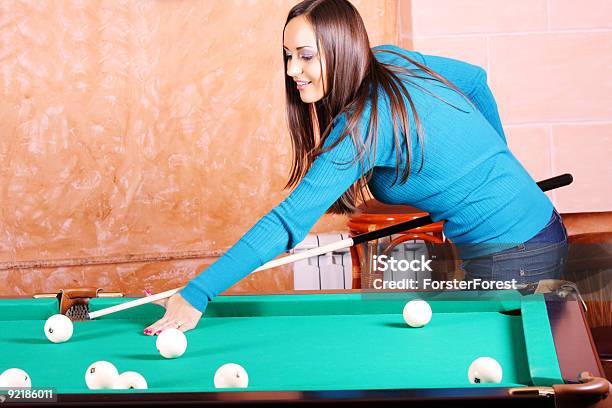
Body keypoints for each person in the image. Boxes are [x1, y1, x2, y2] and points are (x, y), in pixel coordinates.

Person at [143, 0, 568, 336]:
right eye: (288, 56)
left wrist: (198, 292)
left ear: (340, 50)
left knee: (481, 378)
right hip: (533, 231)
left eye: (306, 56)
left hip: (518, 257)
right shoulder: (389, 59)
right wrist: (501, 169)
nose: (292, 70)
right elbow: (475, 79)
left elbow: (288, 222)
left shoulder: (360, 127)